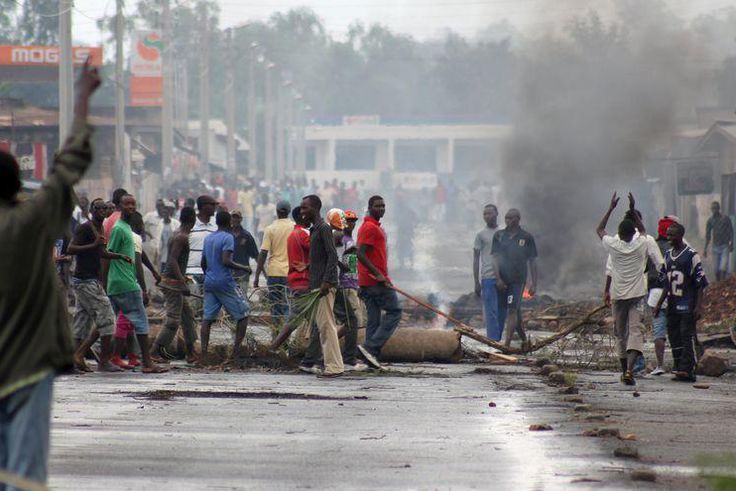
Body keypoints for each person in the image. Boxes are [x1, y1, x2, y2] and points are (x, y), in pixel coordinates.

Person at [0, 59, 99, 488]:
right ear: (18, 187)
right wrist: (81, 98)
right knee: (22, 472)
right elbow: (68, 165)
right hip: (28, 365)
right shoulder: (31, 221)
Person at [597, 193, 662, 386]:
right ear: (634, 232)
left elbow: (600, 229)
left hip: (618, 296)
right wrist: (634, 209)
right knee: (636, 332)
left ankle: (624, 367)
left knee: (620, 334)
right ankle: (629, 370)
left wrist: (610, 208)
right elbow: (644, 231)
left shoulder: (613, 244)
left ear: (619, 232)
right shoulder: (642, 242)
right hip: (636, 296)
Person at [67, 198, 133, 373]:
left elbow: (102, 252)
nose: (103, 211)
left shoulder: (101, 227)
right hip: (85, 281)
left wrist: (119, 256)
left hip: (89, 280)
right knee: (108, 318)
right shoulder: (85, 228)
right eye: (99, 208)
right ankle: (103, 361)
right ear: (92, 210)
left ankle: (74, 360)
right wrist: (93, 245)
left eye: (105, 208)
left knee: (81, 322)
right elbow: (71, 249)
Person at [104, 194, 167, 374]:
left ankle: (115, 357)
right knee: (141, 322)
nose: (131, 207)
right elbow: (108, 254)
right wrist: (105, 279)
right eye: (127, 204)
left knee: (122, 322)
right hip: (125, 283)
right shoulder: (119, 229)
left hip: (118, 284)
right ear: (120, 207)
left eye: (133, 204)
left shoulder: (126, 229)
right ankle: (147, 363)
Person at [654, 223, 708, 382]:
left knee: (686, 335)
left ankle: (689, 369)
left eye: (672, 235)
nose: (668, 238)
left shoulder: (691, 255)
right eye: (668, 235)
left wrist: (698, 306)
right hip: (672, 303)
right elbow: (666, 283)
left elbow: (700, 283)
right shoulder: (668, 255)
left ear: (680, 235)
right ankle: (679, 367)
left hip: (687, 303)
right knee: (674, 335)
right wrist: (659, 304)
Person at [300, 195, 344, 377]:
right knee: (324, 326)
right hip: (317, 284)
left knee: (327, 326)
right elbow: (322, 258)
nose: (302, 211)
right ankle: (333, 365)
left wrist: (327, 281)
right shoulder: (315, 230)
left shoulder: (324, 229)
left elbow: (332, 256)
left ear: (316, 208)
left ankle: (334, 367)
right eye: (301, 208)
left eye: (305, 208)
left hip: (323, 285)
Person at [356, 195, 402, 369]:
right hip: (375, 281)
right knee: (395, 312)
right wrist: (379, 275)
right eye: (377, 206)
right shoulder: (369, 228)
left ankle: (367, 359)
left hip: (370, 281)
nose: (381, 209)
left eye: (383, 206)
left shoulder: (372, 227)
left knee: (374, 320)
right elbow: (360, 253)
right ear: (370, 207)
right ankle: (371, 348)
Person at [200, 211, 252, 364]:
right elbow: (226, 260)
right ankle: (235, 354)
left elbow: (203, 263)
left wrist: (209, 275)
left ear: (216, 222)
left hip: (209, 282)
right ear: (229, 222)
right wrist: (244, 267)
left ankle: (203, 354)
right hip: (225, 282)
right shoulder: (228, 237)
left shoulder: (208, 238)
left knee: (207, 318)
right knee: (244, 314)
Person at [151, 207, 199, 364]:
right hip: (172, 283)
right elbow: (172, 260)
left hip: (174, 281)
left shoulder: (178, 234)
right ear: (192, 219)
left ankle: (191, 352)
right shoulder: (182, 237)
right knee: (173, 319)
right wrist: (182, 283)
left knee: (188, 315)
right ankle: (154, 351)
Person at [493, 208, 538, 348]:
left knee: (512, 310)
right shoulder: (499, 236)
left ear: (518, 219)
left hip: (518, 280)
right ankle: (525, 341)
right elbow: (495, 258)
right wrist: (498, 279)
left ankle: (506, 344)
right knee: (515, 310)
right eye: (506, 218)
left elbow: (532, 261)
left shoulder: (527, 237)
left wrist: (534, 284)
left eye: (510, 218)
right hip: (503, 280)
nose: (507, 221)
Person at [645, 216, 679, 376]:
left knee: (659, 331)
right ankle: (680, 364)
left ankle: (660, 365)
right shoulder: (678, 249)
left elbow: (645, 268)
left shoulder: (653, 246)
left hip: (655, 293)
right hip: (675, 294)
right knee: (675, 330)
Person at [254, 200, 293, 325]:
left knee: (275, 305)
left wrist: (257, 276)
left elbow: (263, 253)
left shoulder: (270, 229)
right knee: (287, 304)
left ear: (276, 212)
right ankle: (285, 337)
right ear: (289, 212)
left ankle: (276, 334)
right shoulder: (294, 227)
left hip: (274, 272)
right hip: (290, 272)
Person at [473, 204, 501, 340]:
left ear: (497, 214)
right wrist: (476, 282)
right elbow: (476, 258)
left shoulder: (504, 232)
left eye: (489, 213)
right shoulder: (480, 235)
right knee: (491, 312)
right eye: (485, 214)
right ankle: (493, 342)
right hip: (488, 277)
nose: (487, 216)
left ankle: (500, 340)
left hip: (504, 276)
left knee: (502, 311)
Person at [186, 195, 218, 285]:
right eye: (212, 205)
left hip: (211, 273)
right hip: (191, 271)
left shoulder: (216, 224)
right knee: (193, 299)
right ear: (203, 206)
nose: (214, 207)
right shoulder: (190, 223)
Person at [230, 210, 259, 297]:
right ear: (230, 219)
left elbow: (256, 255)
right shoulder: (227, 234)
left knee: (242, 298)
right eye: (233, 217)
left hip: (243, 274)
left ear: (241, 219)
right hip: (229, 274)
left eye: (237, 217)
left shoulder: (247, 236)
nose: (235, 220)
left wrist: (262, 273)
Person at [704, 201, 733, 282]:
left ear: (719, 208)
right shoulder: (710, 221)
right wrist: (705, 249)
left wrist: (731, 243)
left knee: (723, 268)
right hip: (715, 247)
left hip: (725, 246)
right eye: (713, 208)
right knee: (716, 270)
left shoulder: (725, 218)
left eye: (716, 208)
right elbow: (708, 235)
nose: (714, 210)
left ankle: (722, 285)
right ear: (711, 210)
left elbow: (731, 231)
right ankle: (718, 284)